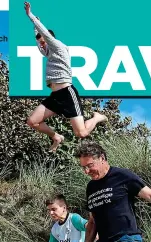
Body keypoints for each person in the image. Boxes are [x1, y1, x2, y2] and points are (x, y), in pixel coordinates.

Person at [24, 2, 107, 152]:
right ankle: (56, 137)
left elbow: (45, 35)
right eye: (40, 44)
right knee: (32, 121)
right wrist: (35, 30)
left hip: (67, 93)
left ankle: (97, 117)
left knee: (81, 133)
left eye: (43, 42)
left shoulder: (58, 47)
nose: (41, 46)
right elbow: (39, 41)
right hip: (55, 95)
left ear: (50, 40)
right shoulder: (48, 52)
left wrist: (31, 16)